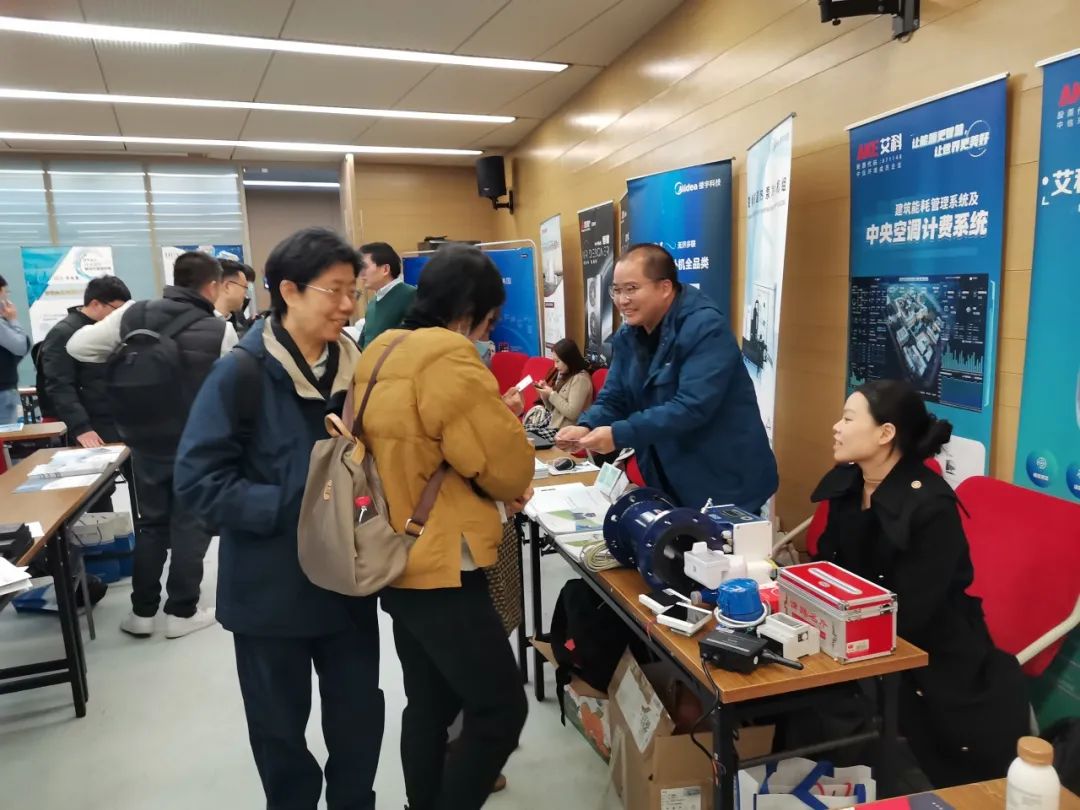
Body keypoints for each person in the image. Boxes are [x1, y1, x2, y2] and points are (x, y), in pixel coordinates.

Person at [175, 228, 382, 810]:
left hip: (346, 586)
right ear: (289, 290)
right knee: (279, 732)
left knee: (359, 720)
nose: (348, 306)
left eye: (354, 292)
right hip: (270, 591)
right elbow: (197, 482)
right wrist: (297, 506)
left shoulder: (359, 373)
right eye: (335, 291)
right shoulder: (241, 373)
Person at [355, 243, 533, 810]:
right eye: (489, 323)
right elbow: (506, 467)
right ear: (468, 312)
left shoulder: (380, 348)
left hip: (393, 550)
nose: (488, 336)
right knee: (501, 709)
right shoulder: (448, 357)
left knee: (429, 704)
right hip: (442, 561)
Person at [811, 379, 1029, 788]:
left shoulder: (931, 507)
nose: (836, 428)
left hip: (930, 655)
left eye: (848, 419)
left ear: (885, 433)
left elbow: (912, 613)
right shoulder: (848, 484)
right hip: (853, 638)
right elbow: (827, 568)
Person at [68, 252, 237, 639]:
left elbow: (78, 347)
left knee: (152, 524)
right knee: (190, 523)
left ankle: (141, 613)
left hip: (143, 437)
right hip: (195, 440)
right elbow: (233, 388)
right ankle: (181, 612)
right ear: (213, 286)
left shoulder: (133, 313)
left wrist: (118, 355)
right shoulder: (219, 330)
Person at [556, 243, 778, 513]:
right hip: (669, 478)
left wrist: (618, 434)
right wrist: (587, 425)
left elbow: (691, 407)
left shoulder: (706, 328)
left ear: (664, 288)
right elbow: (615, 396)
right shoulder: (628, 334)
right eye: (616, 290)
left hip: (725, 481)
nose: (622, 300)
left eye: (631, 289)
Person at [39, 276, 131, 449]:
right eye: (117, 310)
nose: (120, 317)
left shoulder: (107, 330)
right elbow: (59, 385)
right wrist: (81, 427)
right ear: (95, 304)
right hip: (92, 426)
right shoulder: (64, 333)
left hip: (116, 418)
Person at [358, 241, 416, 348]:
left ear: (385, 269)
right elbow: (362, 344)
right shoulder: (372, 302)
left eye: (364, 267)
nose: (361, 273)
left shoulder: (410, 295)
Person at [0, 274, 31, 424]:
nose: (6, 298)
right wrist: (13, 320)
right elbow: (20, 347)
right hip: (2, 391)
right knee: (5, 433)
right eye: (5, 292)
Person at [215, 258, 255, 334]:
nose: (245, 294)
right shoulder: (205, 327)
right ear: (227, 286)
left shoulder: (226, 319)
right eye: (245, 287)